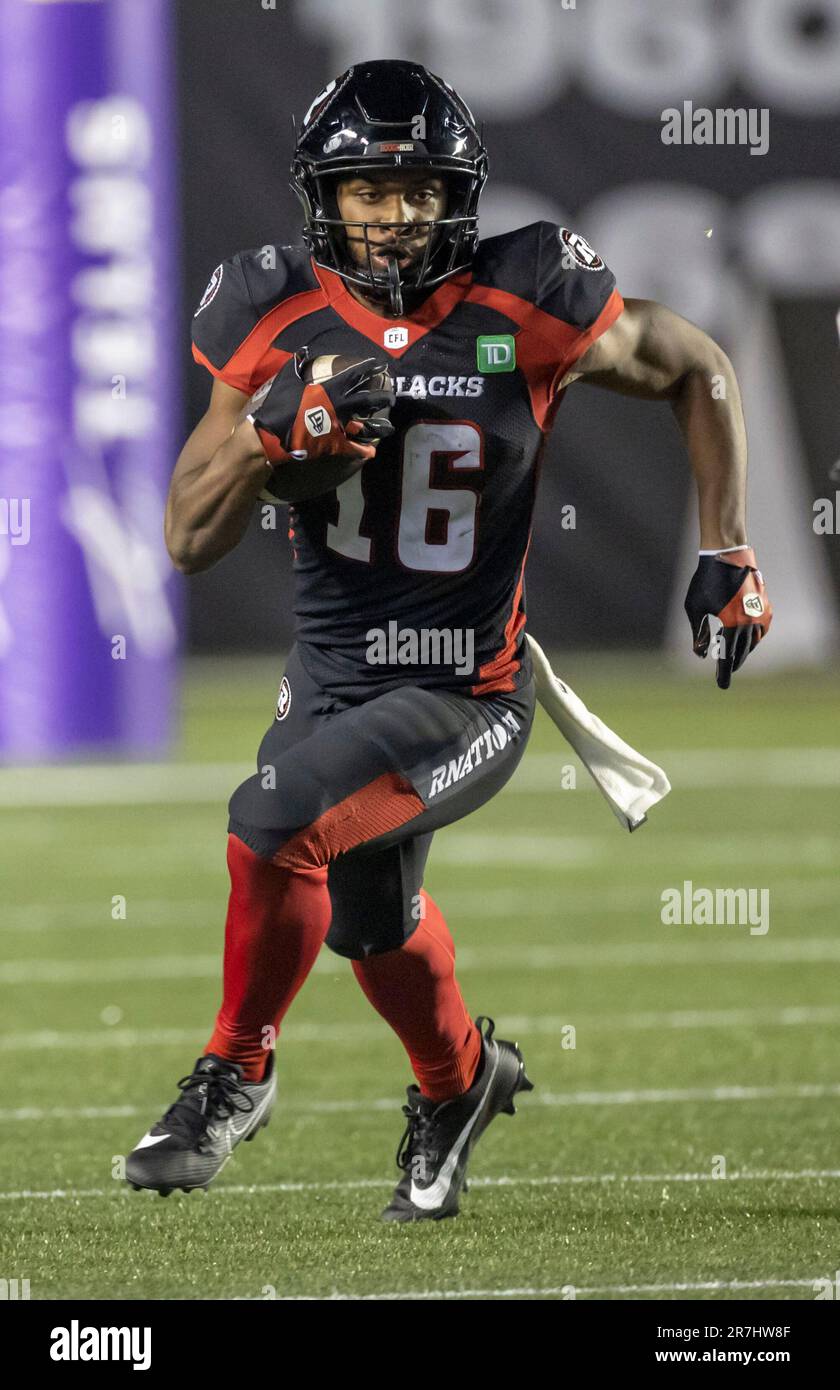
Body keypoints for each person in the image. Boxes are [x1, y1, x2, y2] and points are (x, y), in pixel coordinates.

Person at [125, 59, 772, 1222]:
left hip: (466, 687)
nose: (394, 213)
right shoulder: (272, 310)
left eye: (418, 186)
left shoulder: (526, 295)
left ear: (456, 193)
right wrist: (276, 441)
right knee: (374, 922)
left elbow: (699, 367)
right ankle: (463, 1080)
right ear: (323, 195)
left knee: (274, 821)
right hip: (328, 679)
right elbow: (184, 535)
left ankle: (234, 1072)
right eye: (367, 189)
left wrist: (727, 547)